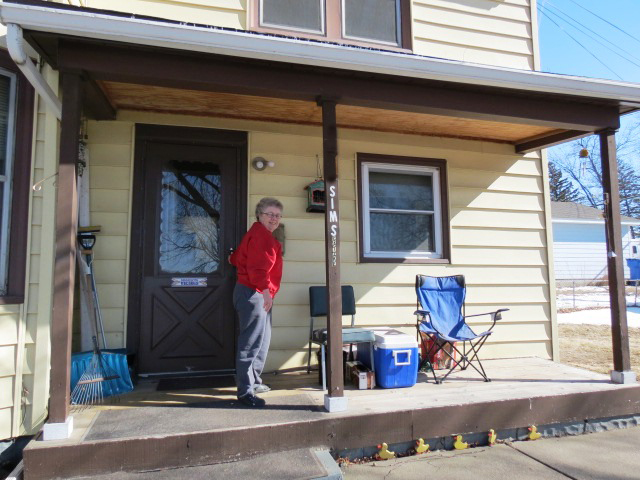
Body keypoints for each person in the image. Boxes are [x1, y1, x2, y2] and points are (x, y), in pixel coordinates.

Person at [229, 197, 283, 407]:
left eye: (277, 215)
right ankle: (245, 392)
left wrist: (231, 259)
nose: (274, 219)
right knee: (251, 343)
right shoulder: (263, 237)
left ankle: (255, 381)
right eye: (269, 214)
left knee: (262, 340)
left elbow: (239, 258)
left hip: (253, 292)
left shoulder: (255, 234)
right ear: (259, 214)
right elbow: (258, 269)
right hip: (255, 294)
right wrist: (266, 293)